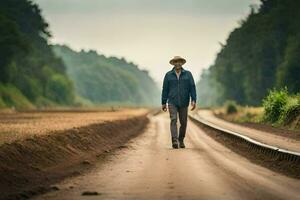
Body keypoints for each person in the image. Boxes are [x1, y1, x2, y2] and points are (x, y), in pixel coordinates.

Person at [161, 56, 197, 149]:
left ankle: (181, 139)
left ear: (182, 63)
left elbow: (192, 87)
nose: (178, 63)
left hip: (184, 102)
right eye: (176, 62)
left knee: (183, 122)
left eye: (180, 62)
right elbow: (165, 89)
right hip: (172, 101)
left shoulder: (188, 74)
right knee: (173, 119)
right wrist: (163, 102)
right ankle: (174, 140)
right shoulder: (168, 75)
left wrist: (193, 100)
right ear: (173, 63)